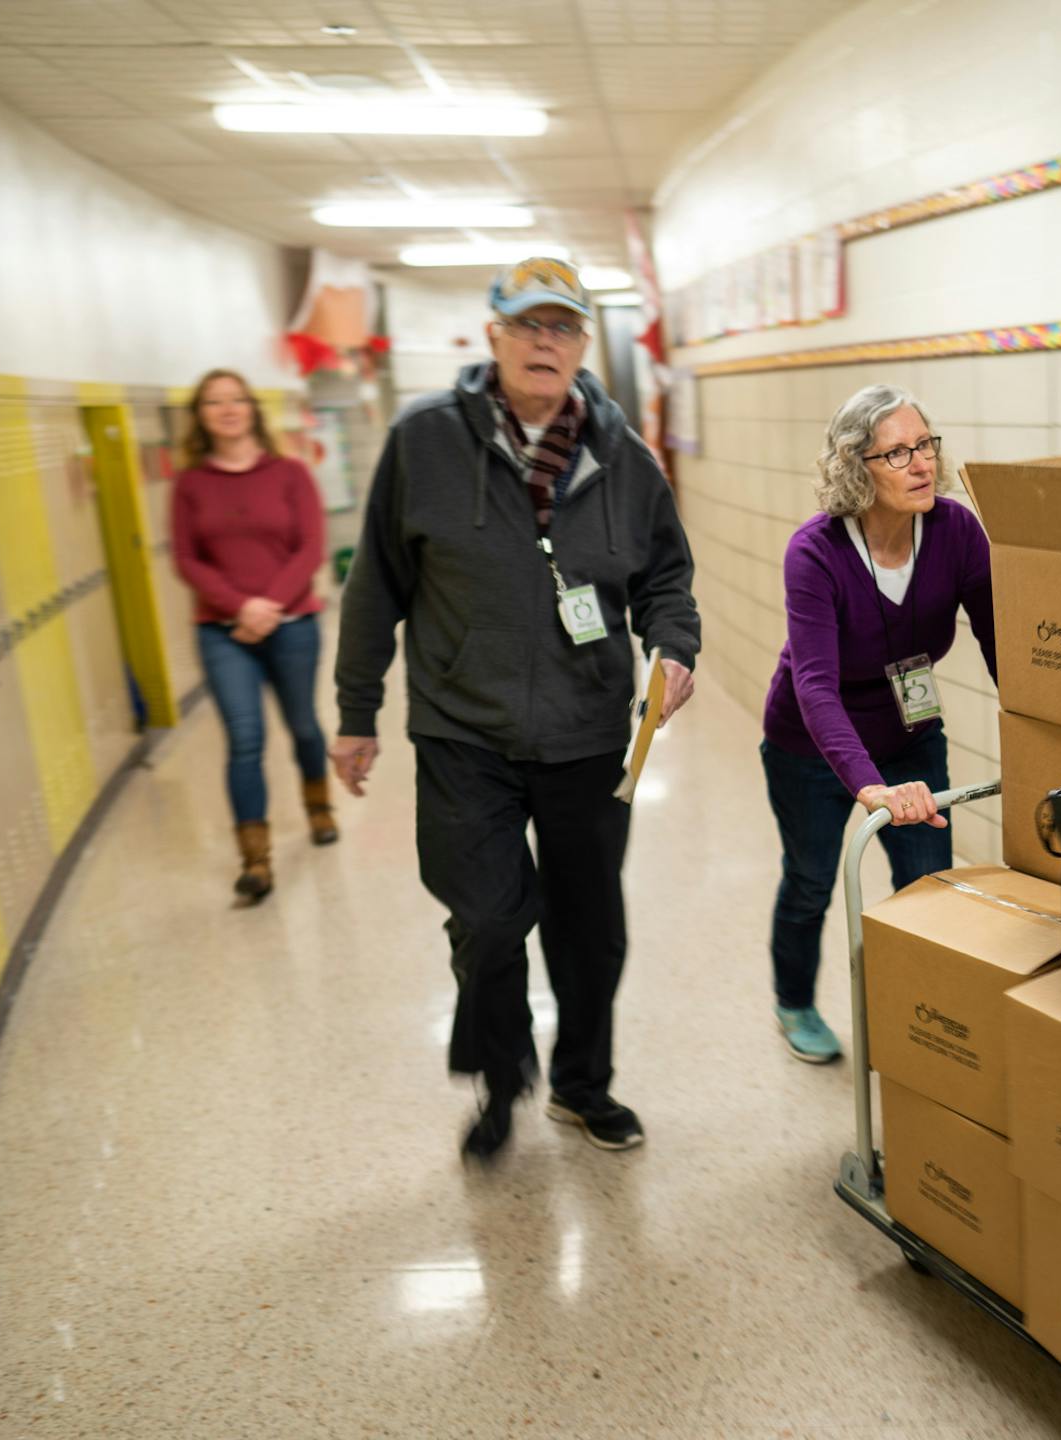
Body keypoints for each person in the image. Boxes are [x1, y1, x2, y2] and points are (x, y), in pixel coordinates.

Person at [330, 256, 699, 1163]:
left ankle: (583, 1086)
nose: (546, 341)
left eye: (564, 327)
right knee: (490, 918)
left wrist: (673, 646)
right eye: (528, 324)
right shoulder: (424, 441)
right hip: (463, 730)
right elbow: (376, 582)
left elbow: (665, 576)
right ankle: (501, 1080)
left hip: (584, 733)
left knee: (589, 927)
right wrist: (356, 709)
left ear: (582, 344)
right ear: (491, 335)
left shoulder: (623, 457)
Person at [760, 385, 996, 1064]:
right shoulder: (816, 553)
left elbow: (997, 639)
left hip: (909, 735)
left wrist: (1047, 726)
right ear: (855, 466)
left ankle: (917, 1021)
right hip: (809, 745)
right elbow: (814, 685)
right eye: (896, 452)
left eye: (924, 445)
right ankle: (795, 1000)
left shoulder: (955, 530)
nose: (920, 463)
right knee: (809, 879)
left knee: (927, 886)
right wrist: (870, 788)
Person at [170, 368, 336, 902]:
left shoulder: (290, 473)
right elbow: (187, 559)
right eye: (214, 402)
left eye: (236, 399)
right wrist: (240, 607)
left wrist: (269, 606)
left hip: (292, 625)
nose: (227, 409)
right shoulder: (191, 484)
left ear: (252, 409)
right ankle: (256, 862)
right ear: (200, 416)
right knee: (245, 740)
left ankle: (319, 807)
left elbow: (310, 548)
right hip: (223, 632)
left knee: (305, 727)